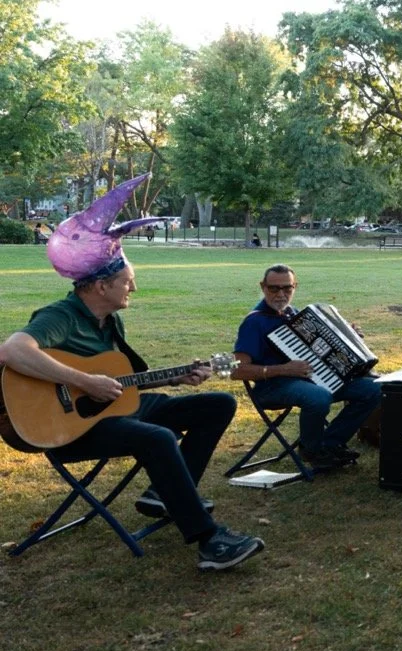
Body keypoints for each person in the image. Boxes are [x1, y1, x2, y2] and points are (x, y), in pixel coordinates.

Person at [0, 174, 263, 572]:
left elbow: (121, 381)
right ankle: (209, 541)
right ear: (102, 286)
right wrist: (84, 381)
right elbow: (13, 350)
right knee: (157, 438)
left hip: (112, 410)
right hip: (64, 428)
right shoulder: (61, 316)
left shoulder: (110, 322)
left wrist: (174, 377)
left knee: (218, 404)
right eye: (128, 282)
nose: (133, 290)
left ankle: (164, 495)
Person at [232, 263, 381, 471]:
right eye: (274, 288)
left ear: (295, 287)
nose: (280, 294)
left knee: (375, 388)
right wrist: (284, 369)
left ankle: (331, 443)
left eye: (287, 288)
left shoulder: (296, 315)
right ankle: (311, 450)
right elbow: (237, 371)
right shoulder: (254, 322)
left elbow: (322, 352)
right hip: (272, 387)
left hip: (312, 380)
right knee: (318, 396)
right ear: (263, 287)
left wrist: (350, 338)